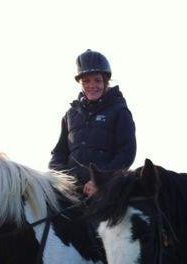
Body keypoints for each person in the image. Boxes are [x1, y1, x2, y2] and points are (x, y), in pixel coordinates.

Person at [50, 49, 136, 196]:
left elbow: (126, 153)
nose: (92, 85)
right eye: (86, 81)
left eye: (97, 80)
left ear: (105, 81)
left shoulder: (120, 112)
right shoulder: (70, 115)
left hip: (105, 192)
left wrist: (101, 181)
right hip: (70, 192)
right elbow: (59, 153)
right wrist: (62, 181)